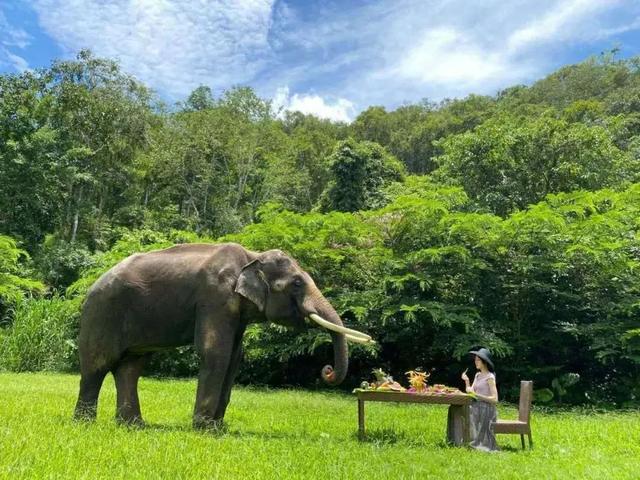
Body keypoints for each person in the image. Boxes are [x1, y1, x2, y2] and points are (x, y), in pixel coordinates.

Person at [461, 347, 499, 451]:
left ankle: (477, 442)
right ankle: (460, 439)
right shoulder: (477, 375)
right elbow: (470, 391)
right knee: (460, 411)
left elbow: (495, 399)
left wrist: (478, 396)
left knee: (468, 411)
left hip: (487, 409)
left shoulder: (490, 377)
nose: (475, 362)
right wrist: (467, 381)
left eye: (478, 360)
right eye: (475, 360)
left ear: (484, 362)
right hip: (477, 407)